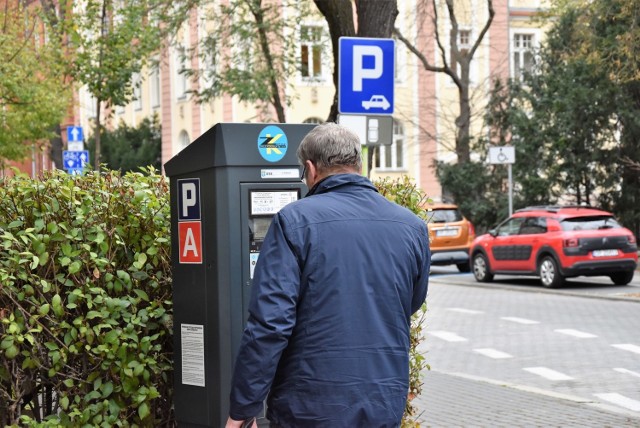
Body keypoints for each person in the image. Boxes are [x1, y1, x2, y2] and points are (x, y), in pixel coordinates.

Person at [226, 122, 430, 428]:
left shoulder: (293, 222)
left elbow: (270, 325)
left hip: (310, 405)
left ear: (310, 169)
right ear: (358, 164)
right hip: (384, 401)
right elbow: (409, 304)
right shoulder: (411, 227)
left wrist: (243, 409)